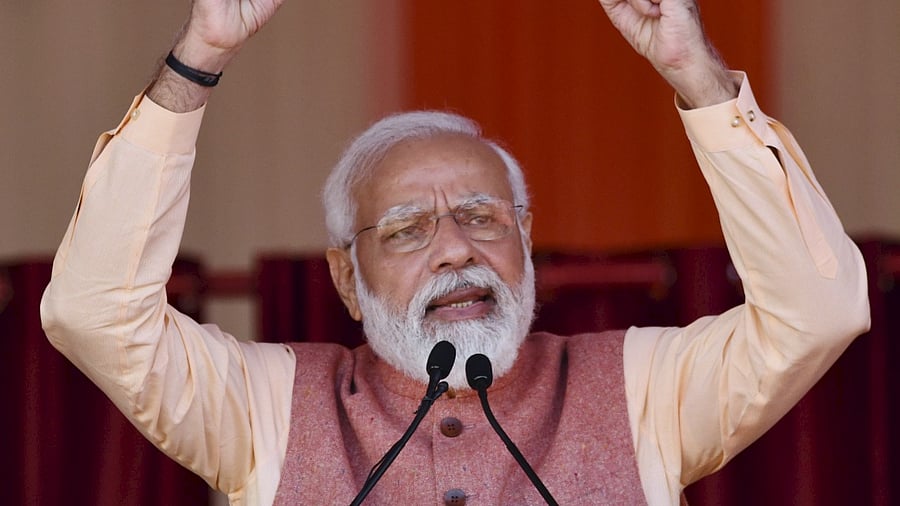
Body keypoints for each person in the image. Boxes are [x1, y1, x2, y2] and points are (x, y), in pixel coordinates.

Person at [41, 0, 870, 504]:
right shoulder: (265, 409)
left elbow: (819, 311)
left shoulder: (643, 387)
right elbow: (94, 314)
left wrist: (698, 77)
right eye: (406, 229)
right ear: (346, 277)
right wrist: (199, 62)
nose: (453, 251)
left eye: (482, 217)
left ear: (527, 242)